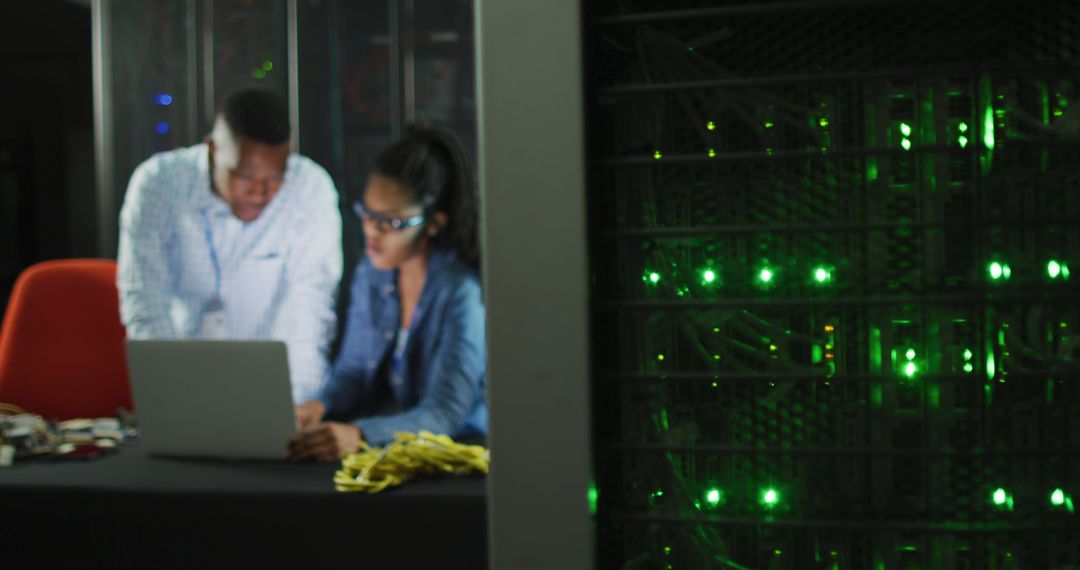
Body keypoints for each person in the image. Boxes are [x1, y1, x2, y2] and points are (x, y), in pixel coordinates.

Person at [116, 88, 342, 403]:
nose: (260, 192)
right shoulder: (158, 183)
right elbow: (145, 300)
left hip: (273, 386)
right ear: (212, 150)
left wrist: (296, 404)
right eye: (244, 176)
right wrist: (167, 394)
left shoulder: (310, 188)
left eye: (275, 178)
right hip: (181, 376)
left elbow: (311, 311)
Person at [288, 126, 486, 461]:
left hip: (461, 459)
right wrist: (320, 405)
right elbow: (353, 373)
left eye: (390, 223)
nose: (371, 232)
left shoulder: (461, 293)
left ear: (433, 223)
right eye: (367, 214)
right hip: (395, 453)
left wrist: (362, 435)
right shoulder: (374, 273)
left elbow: (445, 414)